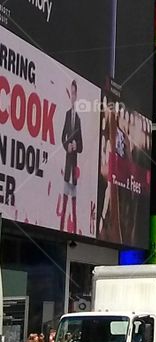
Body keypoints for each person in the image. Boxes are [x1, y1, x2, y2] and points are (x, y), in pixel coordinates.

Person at [59, 80, 83, 235]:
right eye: (71, 92)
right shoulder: (67, 115)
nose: (72, 96)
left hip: (74, 169)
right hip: (67, 166)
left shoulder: (79, 119)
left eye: (75, 93)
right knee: (64, 204)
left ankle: (73, 231)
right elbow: (62, 137)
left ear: (77, 95)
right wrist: (67, 144)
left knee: (74, 207)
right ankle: (61, 229)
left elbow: (82, 146)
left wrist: (76, 146)